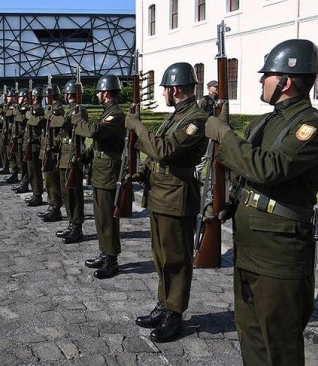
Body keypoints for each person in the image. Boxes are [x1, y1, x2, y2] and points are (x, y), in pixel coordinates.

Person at [205, 39, 318, 366]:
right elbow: (245, 172)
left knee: (280, 344)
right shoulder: (264, 121)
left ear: (285, 81)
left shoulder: (313, 126)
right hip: (249, 245)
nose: (261, 81)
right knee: (251, 335)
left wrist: (225, 135)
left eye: (267, 76)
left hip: (280, 252)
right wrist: (227, 203)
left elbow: (268, 168)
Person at [124, 62, 208, 343]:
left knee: (176, 258)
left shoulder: (196, 118)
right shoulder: (175, 116)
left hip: (176, 196)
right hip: (160, 193)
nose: (163, 95)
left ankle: (175, 312)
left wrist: (136, 124)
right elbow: (156, 152)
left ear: (174, 89)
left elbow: (165, 150)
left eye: (165, 90)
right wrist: (141, 172)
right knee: (161, 256)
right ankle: (164, 302)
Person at [71, 75, 126, 279]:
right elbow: (98, 143)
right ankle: (105, 252)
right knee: (101, 216)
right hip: (100, 170)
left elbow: (95, 132)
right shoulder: (108, 112)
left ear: (106, 93)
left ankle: (112, 259)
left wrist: (78, 120)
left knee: (108, 218)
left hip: (108, 171)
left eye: (99, 91)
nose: (96, 95)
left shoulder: (116, 115)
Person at [55, 80, 86, 242]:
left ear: (69, 95)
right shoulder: (71, 110)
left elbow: (64, 123)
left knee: (74, 194)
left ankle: (77, 227)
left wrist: (53, 116)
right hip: (64, 155)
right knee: (67, 193)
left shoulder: (79, 110)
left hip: (73, 156)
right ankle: (71, 223)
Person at [38, 85, 65, 223]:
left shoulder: (57, 109)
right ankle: (52, 205)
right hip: (48, 148)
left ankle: (55, 208)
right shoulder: (51, 109)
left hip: (54, 150)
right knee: (48, 180)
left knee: (52, 181)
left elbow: (58, 126)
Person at [24, 86, 46, 206]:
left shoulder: (39, 110)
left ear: (36, 98)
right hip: (30, 144)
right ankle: (35, 193)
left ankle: (38, 195)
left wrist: (29, 113)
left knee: (35, 171)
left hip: (35, 144)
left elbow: (33, 120)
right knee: (31, 170)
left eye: (32, 97)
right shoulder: (33, 109)